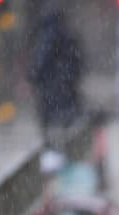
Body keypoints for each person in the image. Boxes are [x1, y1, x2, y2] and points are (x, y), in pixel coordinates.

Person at [27, 7, 84, 143]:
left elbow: (41, 60)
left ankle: (51, 148)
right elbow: (79, 63)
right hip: (67, 88)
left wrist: (33, 75)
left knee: (49, 123)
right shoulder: (69, 37)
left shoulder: (48, 37)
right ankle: (66, 147)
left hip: (51, 88)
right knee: (65, 122)